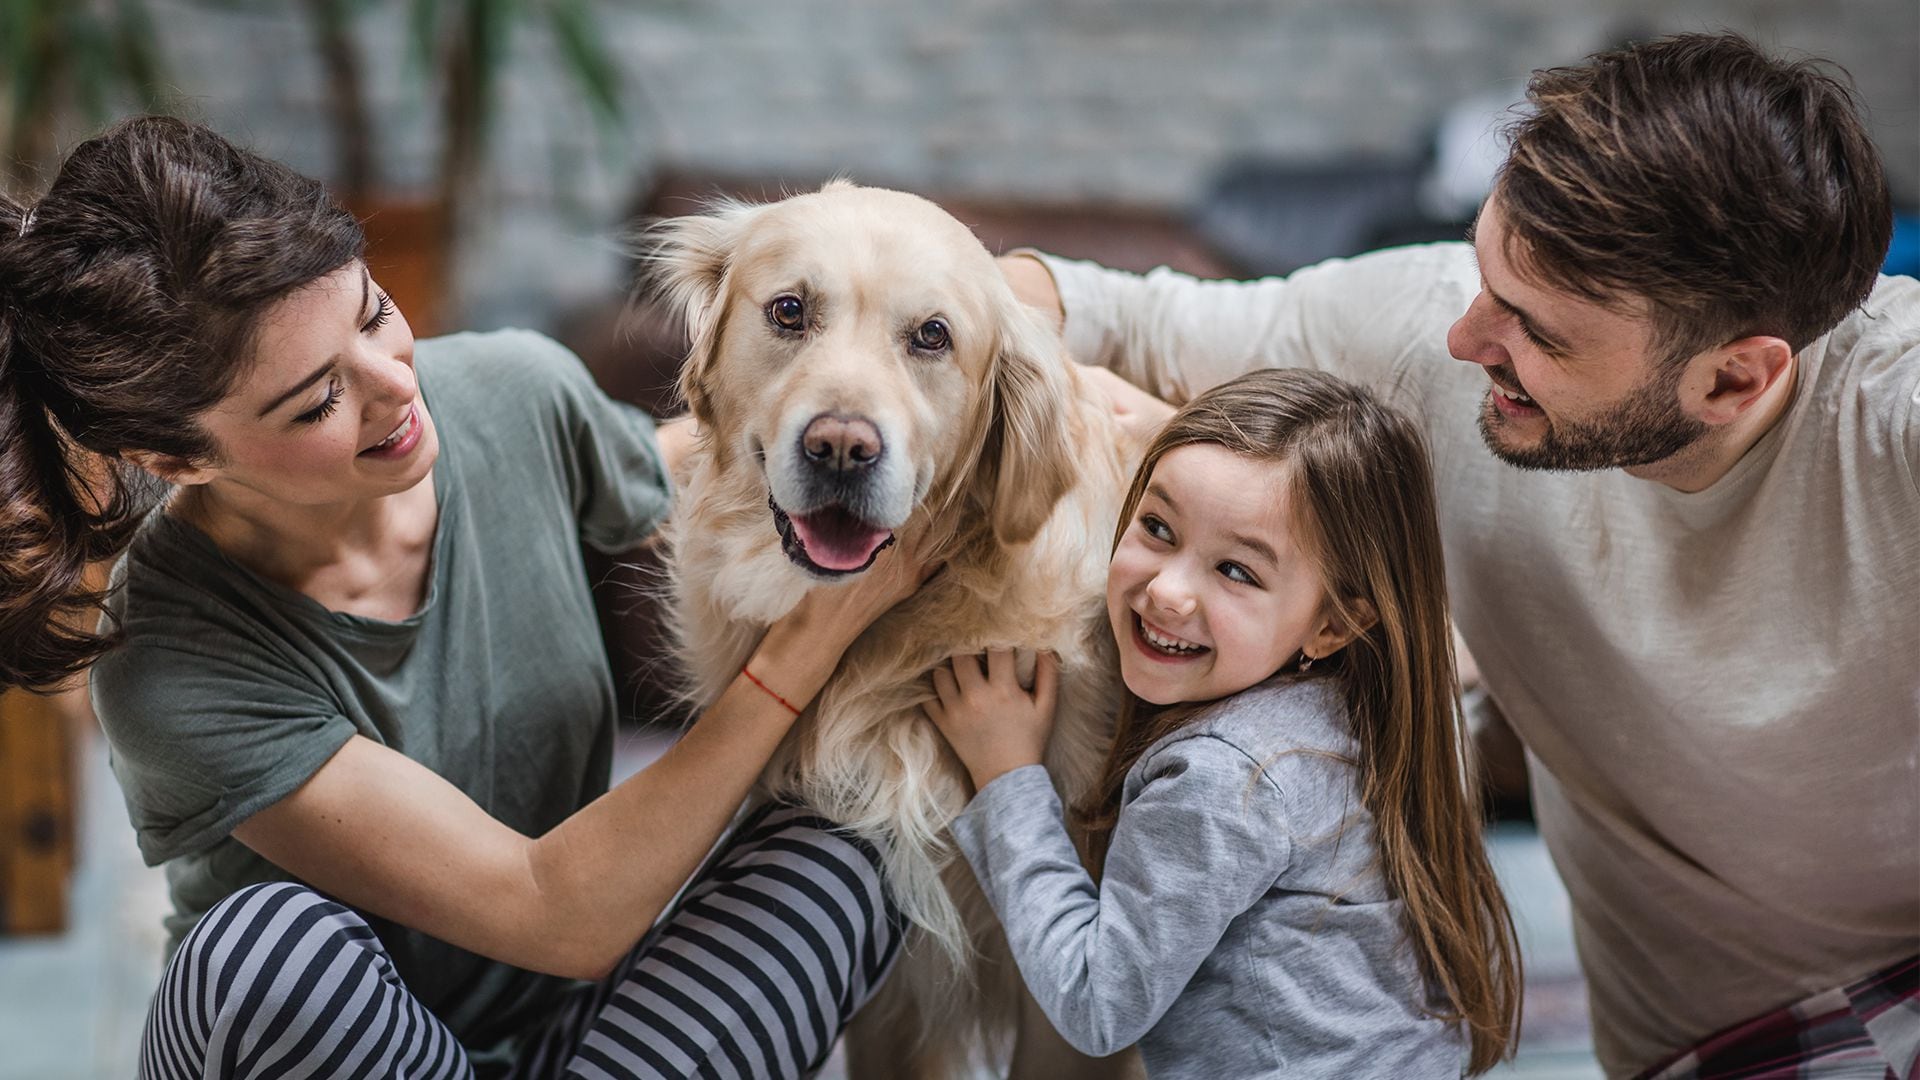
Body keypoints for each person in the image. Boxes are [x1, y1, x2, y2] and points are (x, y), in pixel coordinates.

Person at [994, 32, 1918, 1079]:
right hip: (1741, 1041)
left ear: (1734, 381)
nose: (1463, 339)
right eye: (1483, 274)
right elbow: (1099, 307)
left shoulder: (1891, 423)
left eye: (1536, 331)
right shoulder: (1439, 333)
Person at [0, 115, 937, 1079]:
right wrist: (809, 643)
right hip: (345, 1051)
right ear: (174, 458)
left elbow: (711, 455)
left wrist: (995, 362)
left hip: (586, 1050)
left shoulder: (511, 393)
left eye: (371, 314)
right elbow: (556, 911)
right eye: (317, 401)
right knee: (256, 954)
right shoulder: (166, 663)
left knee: (856, 827)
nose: (395, 386)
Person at [925, 368, 1523, 1078]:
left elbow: (1095, 1003)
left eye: (1236, 571)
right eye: (1156, 527)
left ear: (1333, 624)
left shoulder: (1223, 779)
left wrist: (1007, 777)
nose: (1168, 591)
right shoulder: (1360, 717)